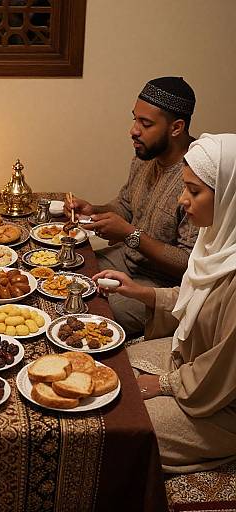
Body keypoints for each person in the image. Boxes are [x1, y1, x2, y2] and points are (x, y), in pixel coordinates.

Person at [94, 133, 236, 473]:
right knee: (110, 367)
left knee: (119, 428)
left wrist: (161, 385)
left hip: (221, 402)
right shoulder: (217, 238)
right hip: (194, 362)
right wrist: (137, 292)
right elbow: (196, 299)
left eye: (195, 191)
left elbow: (222, 370)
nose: (183, 200)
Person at [67, 77, 199, 336]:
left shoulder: (197, 178)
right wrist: (93, 209)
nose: (133, 131)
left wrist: (130, 235)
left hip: (161, 285)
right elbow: (126, 205)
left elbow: (188, 262)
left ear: (176, 127)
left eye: (145, 123)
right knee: (70, 272)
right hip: (125, 259)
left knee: (89, 313)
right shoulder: (145, 156)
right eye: (135, 119)